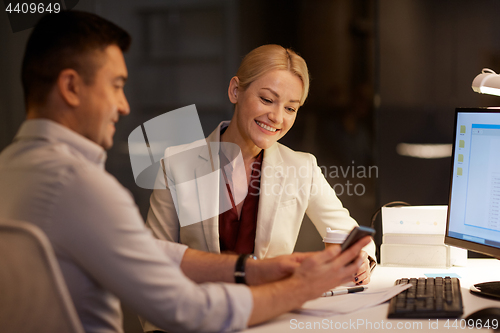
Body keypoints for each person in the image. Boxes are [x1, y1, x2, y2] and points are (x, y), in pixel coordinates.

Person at [0, 11, 372, 333]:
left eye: (290, 107)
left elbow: (151, 252)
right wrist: (296, 286)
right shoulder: (89, 185)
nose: (124, 105)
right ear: (236, 91)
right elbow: (175, 303)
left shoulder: (10, 169)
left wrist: (254, 272)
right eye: (116, 86)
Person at [147, 44, 376, 285]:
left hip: (273, 314)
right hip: (200, 315)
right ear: (236, 90)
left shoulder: (302, 167)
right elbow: (152, 259)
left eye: (290, 108)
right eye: (267, 99)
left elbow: (352, 236)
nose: (277, 117)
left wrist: (362, 258)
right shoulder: (176, 164)